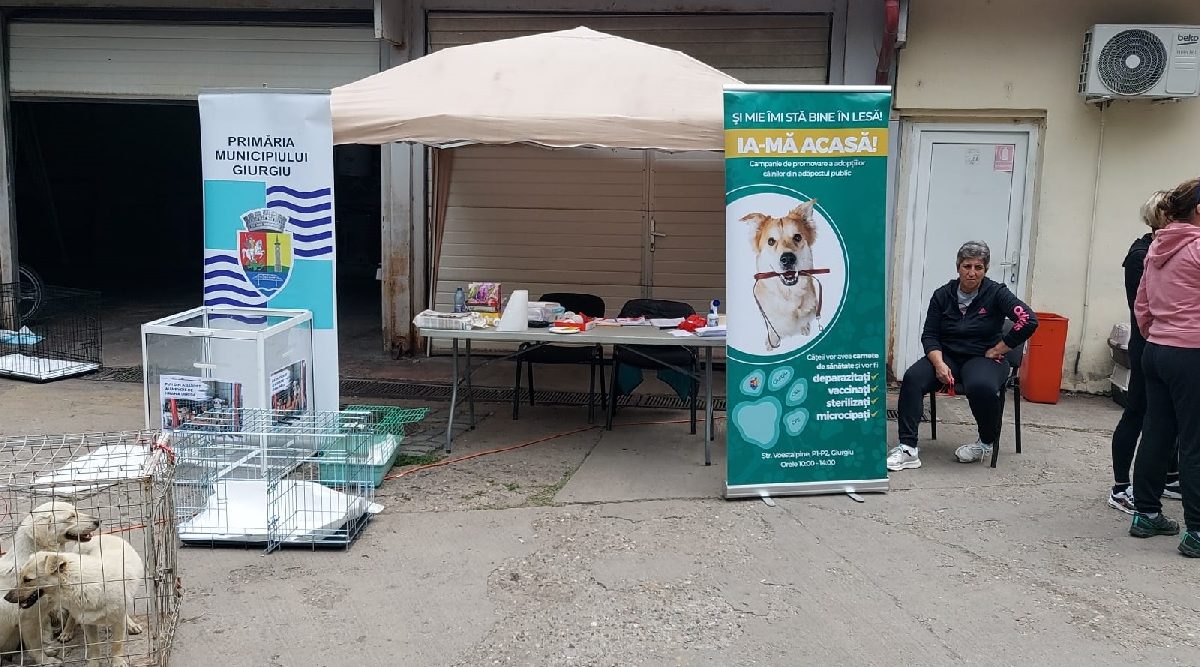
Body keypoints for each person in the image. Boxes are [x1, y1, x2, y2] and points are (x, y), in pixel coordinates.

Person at [888, 241, 1039, 471]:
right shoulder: (942, 295)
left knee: (980, 386)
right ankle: (908, 448)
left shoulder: (997, 293)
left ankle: (985, 442)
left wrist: (1000, 348)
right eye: (967, 266)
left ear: (985, 269)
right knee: (912, 378)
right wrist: (938, 363)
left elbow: (1028, 319)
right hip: (948, 356)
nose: (972, 272)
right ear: (958, 267)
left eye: (978, 267)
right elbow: (930, 335)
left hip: (985, 358)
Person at [1129, 176, 1200, 557]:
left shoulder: (1158, 246)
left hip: (1157, 349)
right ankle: (1197, 532)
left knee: (1157, 432)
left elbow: (1142, 304)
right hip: (1191, 353)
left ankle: (1146, 514)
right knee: (1194, 442)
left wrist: (1157, 334)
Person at [1108, 191, 1181, 514]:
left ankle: (1168, 477)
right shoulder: (1142, 254)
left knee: (1166, 416)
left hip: (1165, 343)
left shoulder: (1168, 249)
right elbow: (1145, 306)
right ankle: (1120, 487)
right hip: (1146, 344)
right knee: (1137, 413)